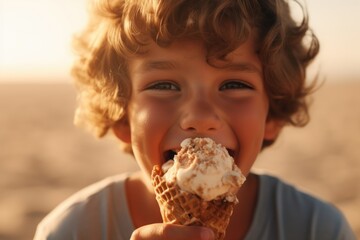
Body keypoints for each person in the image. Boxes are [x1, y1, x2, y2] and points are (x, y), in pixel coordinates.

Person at [34, 0, 356, 239]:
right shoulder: (70, 231)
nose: (200, 118)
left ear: (271, 113)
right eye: (164, 85)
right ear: (121, 115)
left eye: (234, 85)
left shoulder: (318, 228)